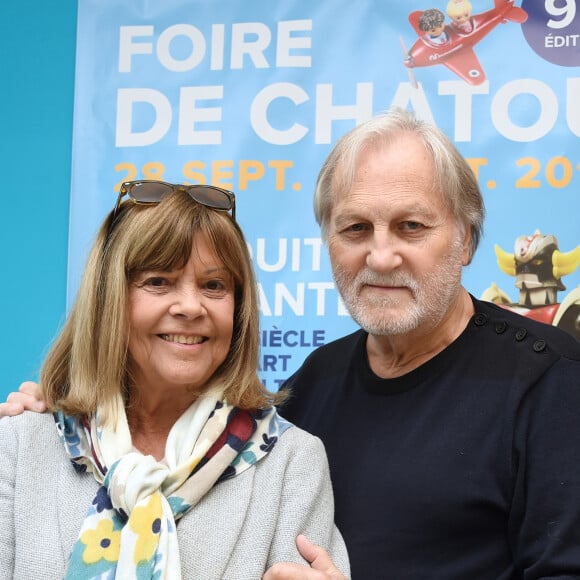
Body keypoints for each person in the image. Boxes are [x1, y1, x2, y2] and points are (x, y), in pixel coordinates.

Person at [5, 109, 580, 579]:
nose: (380, 256)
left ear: (467, 239)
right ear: (328, 241)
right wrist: (51, 423)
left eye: (411, 226)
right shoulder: (313, 385)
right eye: (356, 228)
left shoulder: (553, 379)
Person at [0, 181, 349, 579]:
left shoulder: (292, 465)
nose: (189, 306)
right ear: (109, 297)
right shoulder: (18, 448)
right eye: (158, 281)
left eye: (213, 286)